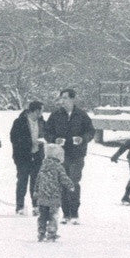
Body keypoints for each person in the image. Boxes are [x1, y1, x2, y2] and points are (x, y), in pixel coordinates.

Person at [44, 89, 96, 224]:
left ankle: (74, 213)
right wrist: (54, 139)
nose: (62, 101)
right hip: (60, 155)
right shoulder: (55, 115)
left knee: (73, 181)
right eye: (61, 98)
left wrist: (82, 139)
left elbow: (91, 131)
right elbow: (46, 132)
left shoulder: (82, 115)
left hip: (77, 155)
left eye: (66, 98)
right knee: (62, 182)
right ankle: (65, 213)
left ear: (73, 99)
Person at [34, 142, 75, 242]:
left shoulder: (43, 166)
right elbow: (63, 178)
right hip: (54, 197)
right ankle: (51, 233)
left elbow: (38, 179)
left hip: (42, 197)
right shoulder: (58, 167)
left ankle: (41, 232)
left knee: (42, 216)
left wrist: (35, 191)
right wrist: (71, 185)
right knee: (53, 216)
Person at [10, 101, 44, 215]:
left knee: (36, 182)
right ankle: (20, 207)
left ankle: (36, 206)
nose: (42, 112)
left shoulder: (42, 122)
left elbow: (48, 134)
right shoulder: (19, 122)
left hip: (37, 156)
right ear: (36, 111)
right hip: (22, 157)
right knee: (22, 181)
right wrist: (30, 142)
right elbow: (14, 139)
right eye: (41, 110)